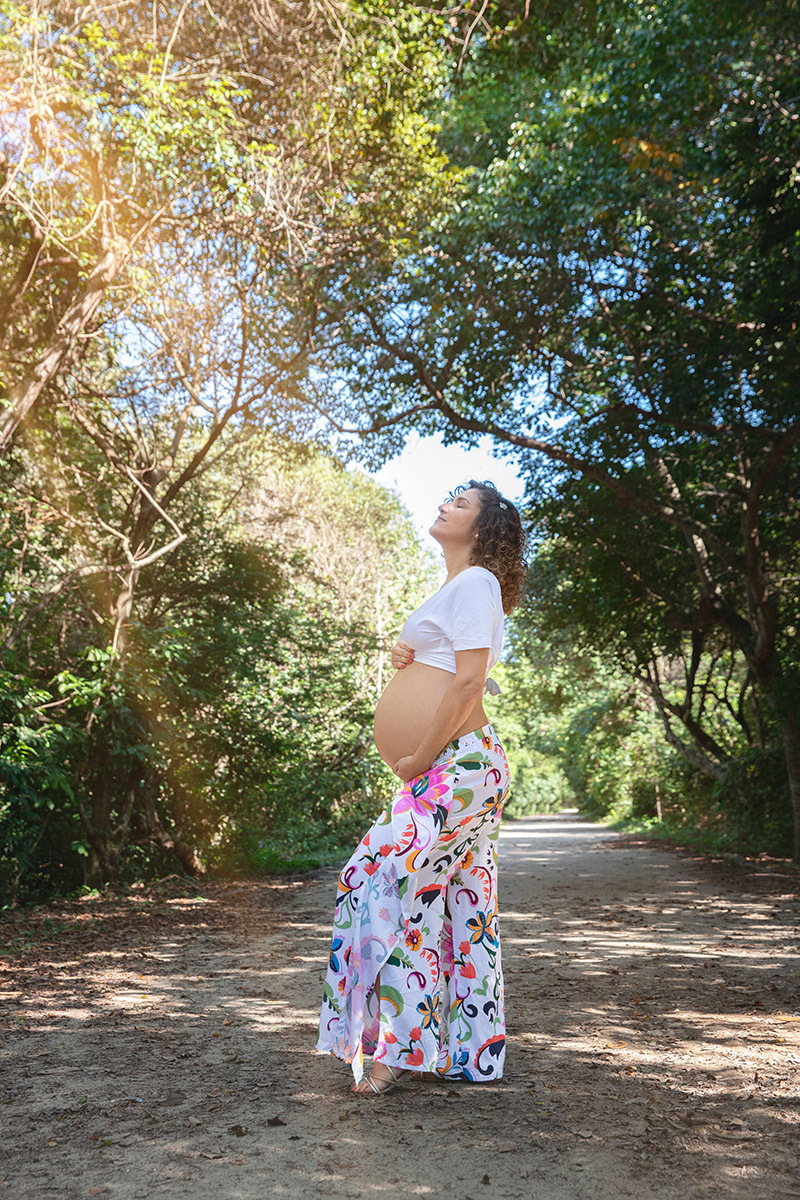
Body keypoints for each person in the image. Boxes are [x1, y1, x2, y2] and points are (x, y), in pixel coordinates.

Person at [316, 480, 527, 1096]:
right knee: (461, 902)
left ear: (485, 528)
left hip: (455, 764)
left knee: (377, 878)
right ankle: (470, 1051)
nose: (445, 503)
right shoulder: (460, 589)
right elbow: (449, 674)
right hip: (457, 766)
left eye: (461, 502)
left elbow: (468, 686)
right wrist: (408, 662)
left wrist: (419, 758)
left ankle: (393, 1049)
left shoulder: (477, 581)